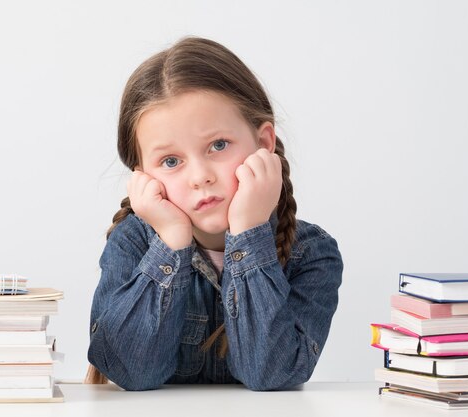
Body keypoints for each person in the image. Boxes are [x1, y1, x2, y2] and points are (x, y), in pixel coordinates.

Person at [86, 37, 343, 391]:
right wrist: (172, 242)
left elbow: (271, 374)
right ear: (142, 177)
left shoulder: (312, 253)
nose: (200, 176)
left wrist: (249, 231)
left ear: (264, 143)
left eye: (218, 145)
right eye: (171, 161)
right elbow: (131, 373)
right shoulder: (132, 243)